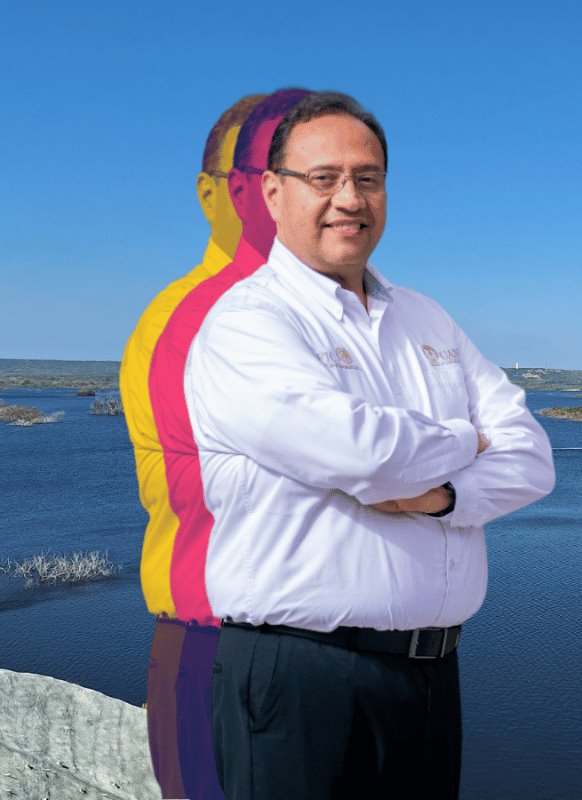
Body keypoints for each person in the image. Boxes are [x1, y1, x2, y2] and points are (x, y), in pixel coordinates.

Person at [185, 91, 555, 799]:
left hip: (427, 679)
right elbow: (358, 452)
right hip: (300, 678)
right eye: (323, 178)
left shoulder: (426, 317)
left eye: (369, 178)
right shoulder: (247, 324)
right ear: (272, 193)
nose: (349, 198)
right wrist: (464, 438)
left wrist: (446, 496)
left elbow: (533, 458)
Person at [120, 87, 310, 799]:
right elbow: (234, 496)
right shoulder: (194, 320)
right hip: (221, 647)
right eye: (263, 182)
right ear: (213, 194)